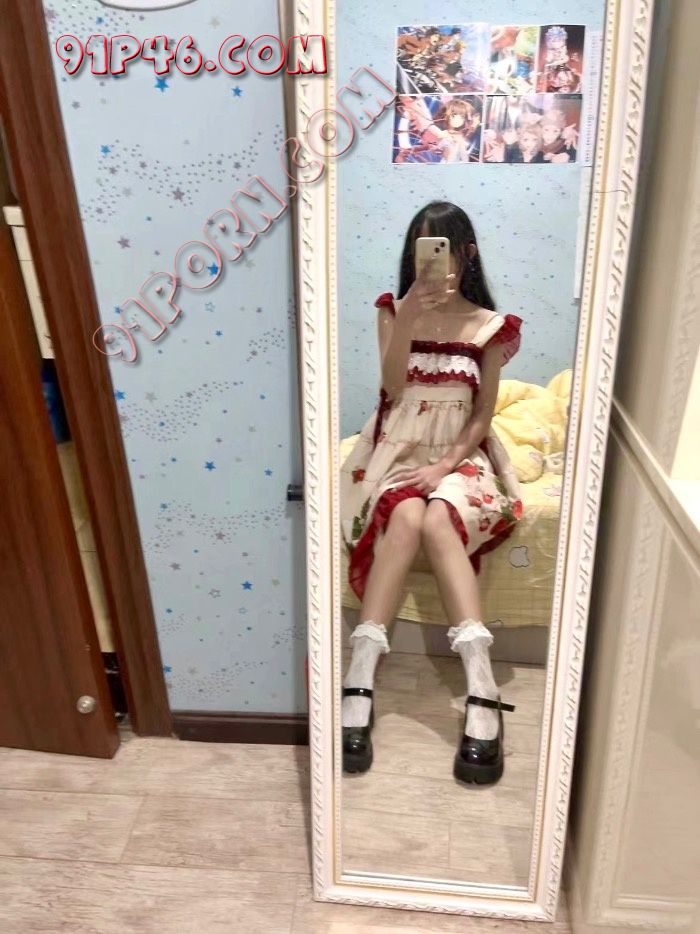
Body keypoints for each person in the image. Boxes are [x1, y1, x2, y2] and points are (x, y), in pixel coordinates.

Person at [339, 202, 524, 785]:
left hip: (458, 453)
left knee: (441, 514)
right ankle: (361, 675)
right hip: (397, 448)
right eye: (421, 249)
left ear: (466, 254)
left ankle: (481, 686)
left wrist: (444, 466)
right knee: (406, 517)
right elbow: (393, 388)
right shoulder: (393, 311)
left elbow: (482, 416)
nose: (432, 265)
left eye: (441, 249)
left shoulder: (491, 326)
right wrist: (409, 318)